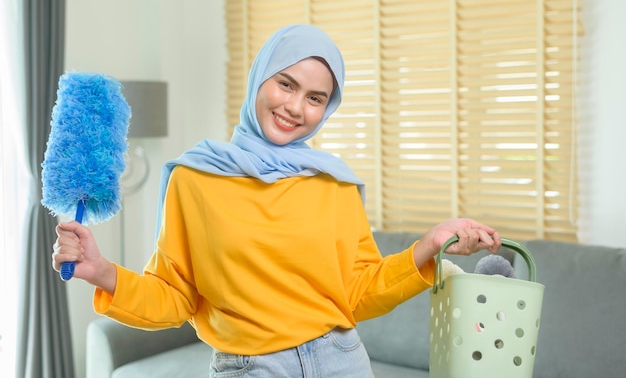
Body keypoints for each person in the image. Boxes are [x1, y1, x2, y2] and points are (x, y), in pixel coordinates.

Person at [52, 24, 501, 378]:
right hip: (249, 368)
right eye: (285, 84)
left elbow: (358, 294)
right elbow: (175, 298)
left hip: (342, 359)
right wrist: (104, 272)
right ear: (260, 76)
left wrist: (427, 247)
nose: (295, 107)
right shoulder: (194, 179)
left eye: (315, 98)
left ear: (327, 109)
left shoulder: (335, 184)